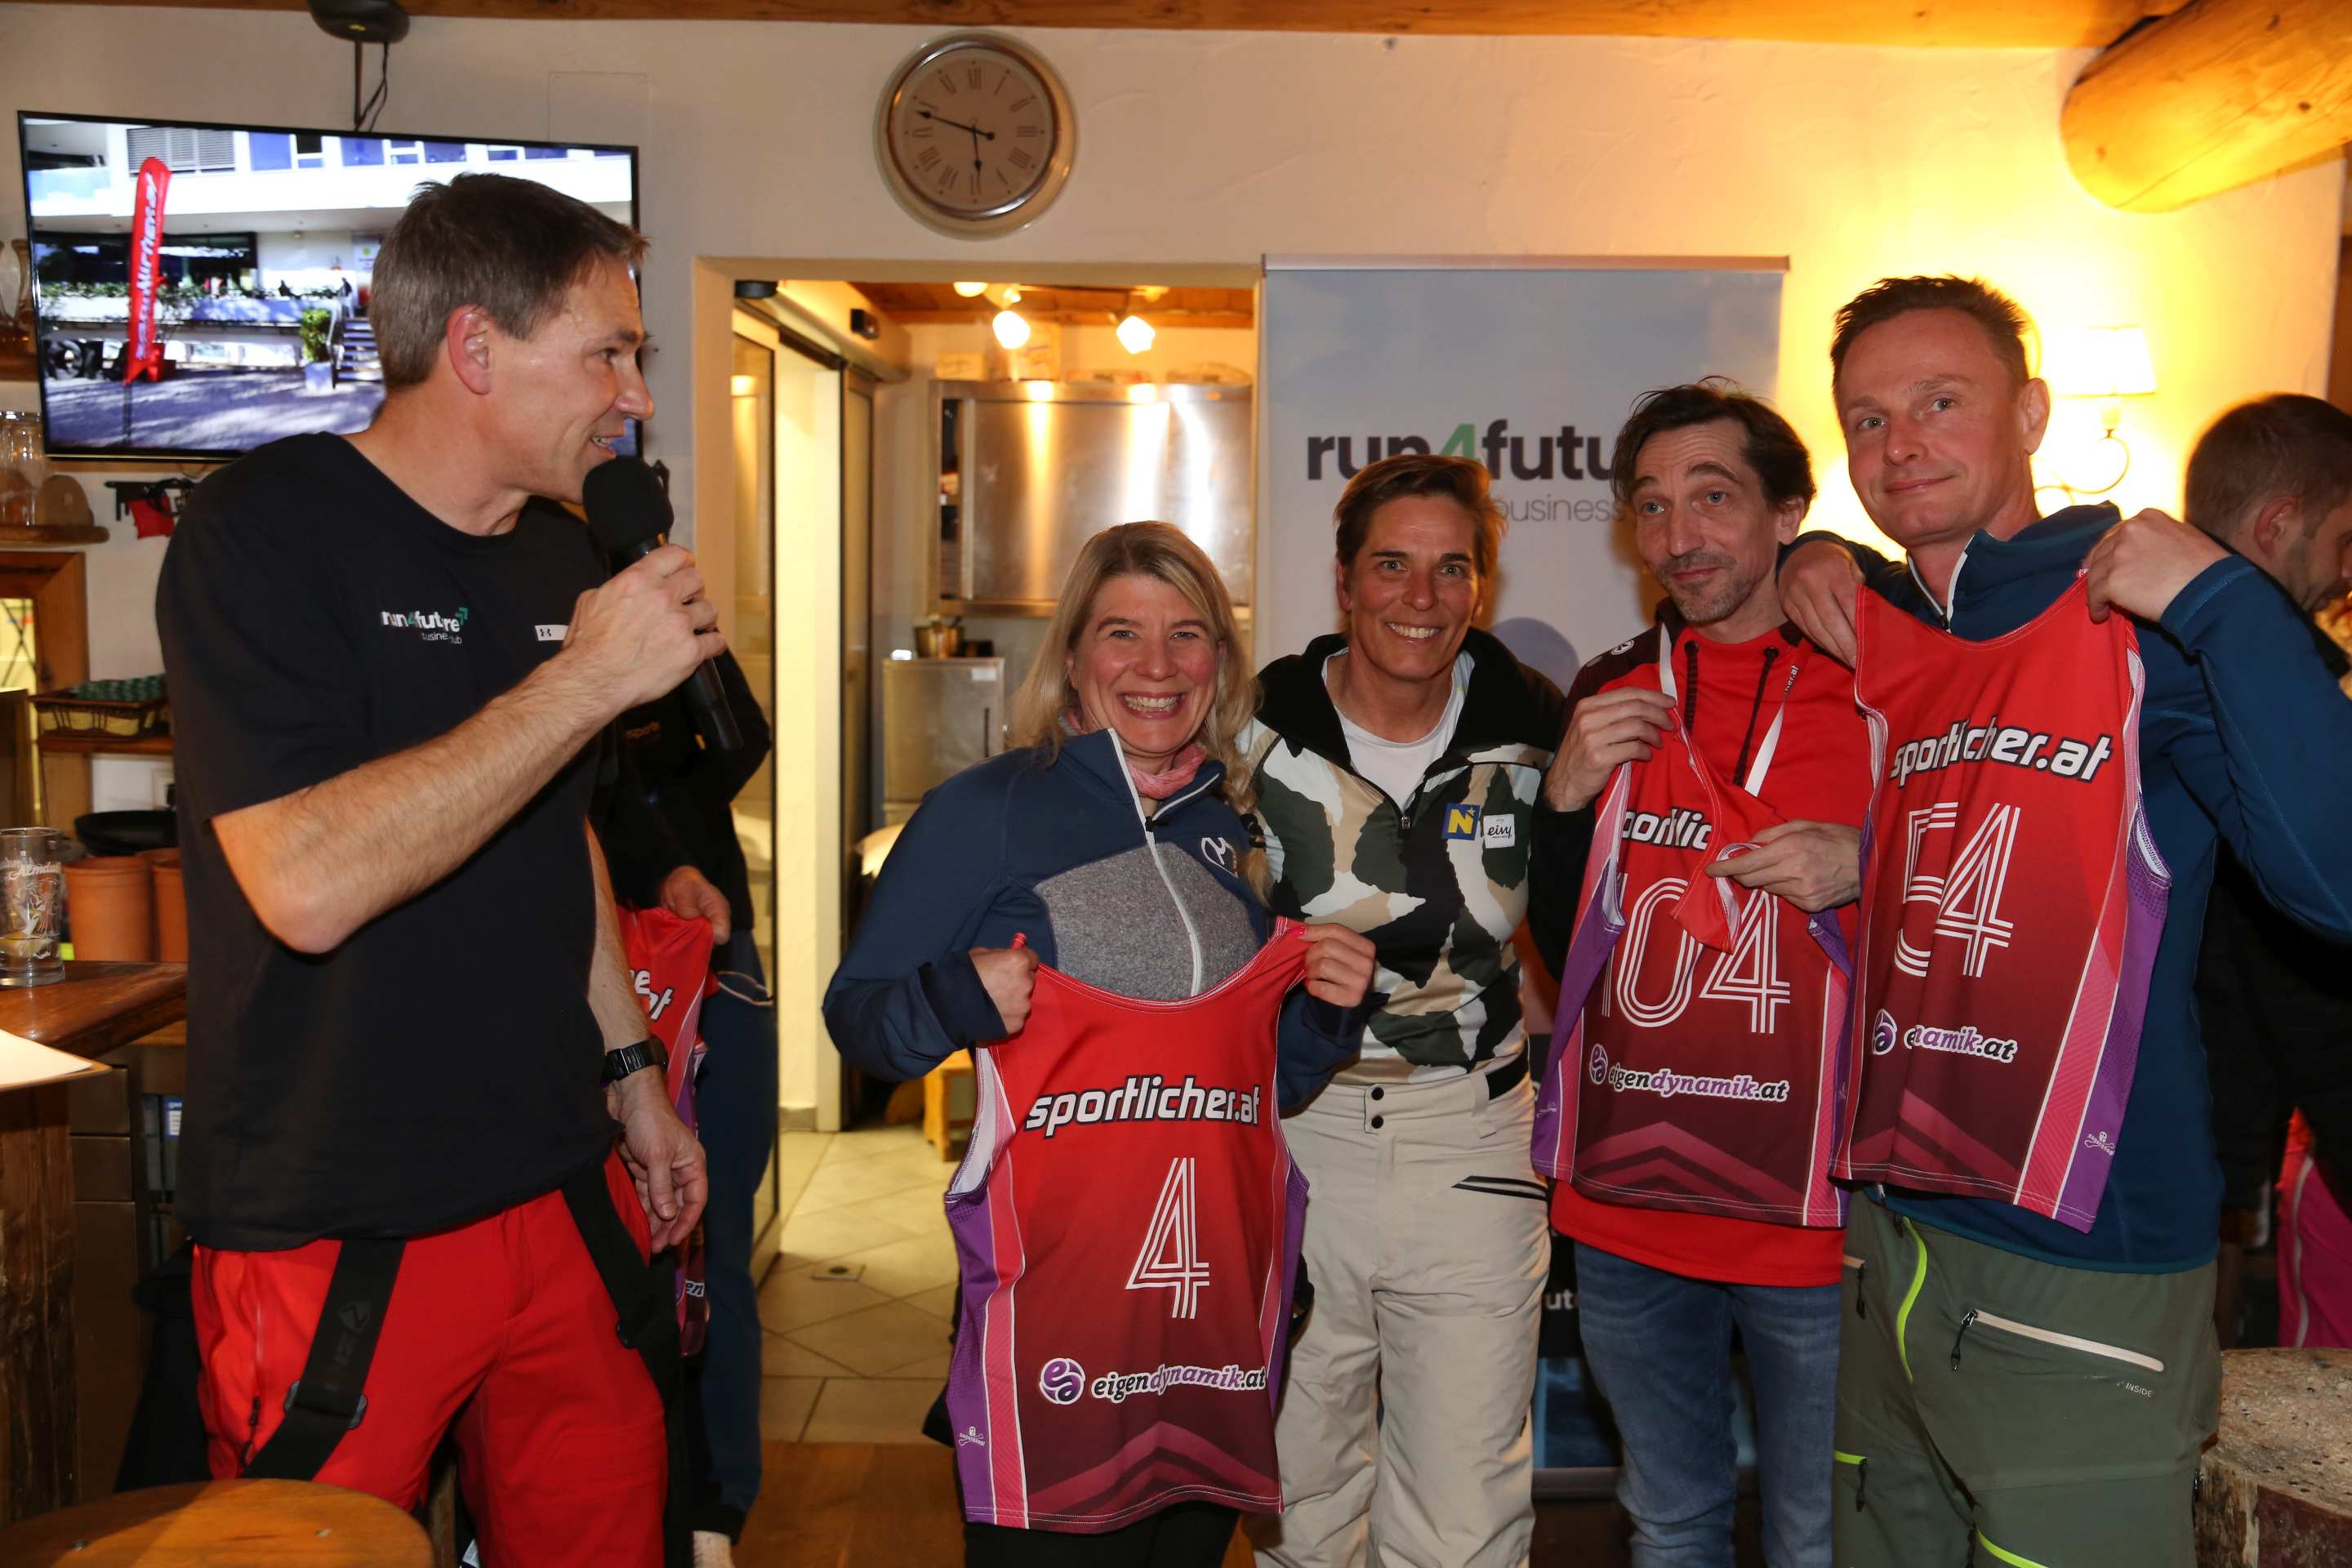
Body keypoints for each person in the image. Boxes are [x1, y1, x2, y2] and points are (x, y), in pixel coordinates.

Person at [156, 172, 714, 1568]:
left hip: (557, 1178)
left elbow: (560, 829)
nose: (635, 395)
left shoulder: (558, 555)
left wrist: (633, 1070)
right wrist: (584, 684)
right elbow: (305, 885)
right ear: (474, 348)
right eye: (607, 353)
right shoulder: (262, 531)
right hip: (337, 1211)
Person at [1776, 277, 2352, 1568]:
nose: (1900, 443)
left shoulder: (2142, 623)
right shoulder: (1882, 626)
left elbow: (2338, 885)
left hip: (2082, 1257)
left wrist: (2224, 602)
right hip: (1891, 1240)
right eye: (1867, 419)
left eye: (1942, 402)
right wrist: (1819, 554)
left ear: (2033, 415)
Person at [823, 522, 1376, 1568]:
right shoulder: (985, 811)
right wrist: (953, 999)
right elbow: (860, 1023)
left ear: (1220, 661)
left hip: (1203, 1321)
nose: (1157, 666)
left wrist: (1326, 1014)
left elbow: (1257, 1083)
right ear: (1074, 655)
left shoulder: (1235, 825)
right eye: (1123, 633)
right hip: (1056, 1328)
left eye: (1187, 634)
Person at [1534, 383, 1871, 1568]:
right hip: (1632, 1201)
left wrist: (1868, 862)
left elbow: (1987, 891)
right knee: (1668, 1522)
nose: (1679, 536)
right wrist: (1561, 807)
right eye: (1652, 506)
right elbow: (1566, 942)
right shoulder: (1612, 687)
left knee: (1819, 1538)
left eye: (1713, 498)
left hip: (1812, 1212)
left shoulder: (1879, 677)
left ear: (1789, 512)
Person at [1244, 452, 1575, 1568]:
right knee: (1298, 1497)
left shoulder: (1538, 726)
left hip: (1468, 1143)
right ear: (1344, 580)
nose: (1420, 597)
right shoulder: (1253, 730)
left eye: (1451, 568)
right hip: (1295, 1136)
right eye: (1391, 565)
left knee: (1464, 1522)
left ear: (1482, 584)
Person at [2180, 394, 2352, 1349]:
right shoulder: (2247, 693)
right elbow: (2255, 962)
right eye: (2342, 539)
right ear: (2279, 524)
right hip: (2182, 1130)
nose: (2347, 571)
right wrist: (2238, 1179)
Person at [596, 648, 775, 1568]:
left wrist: (665, 835)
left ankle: (717, 1503)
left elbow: (745, 740)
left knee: (713, 1240)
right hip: (592, 961)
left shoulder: (663, 629)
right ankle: (637, 1490)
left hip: (701, 956)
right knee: (603, 1254)